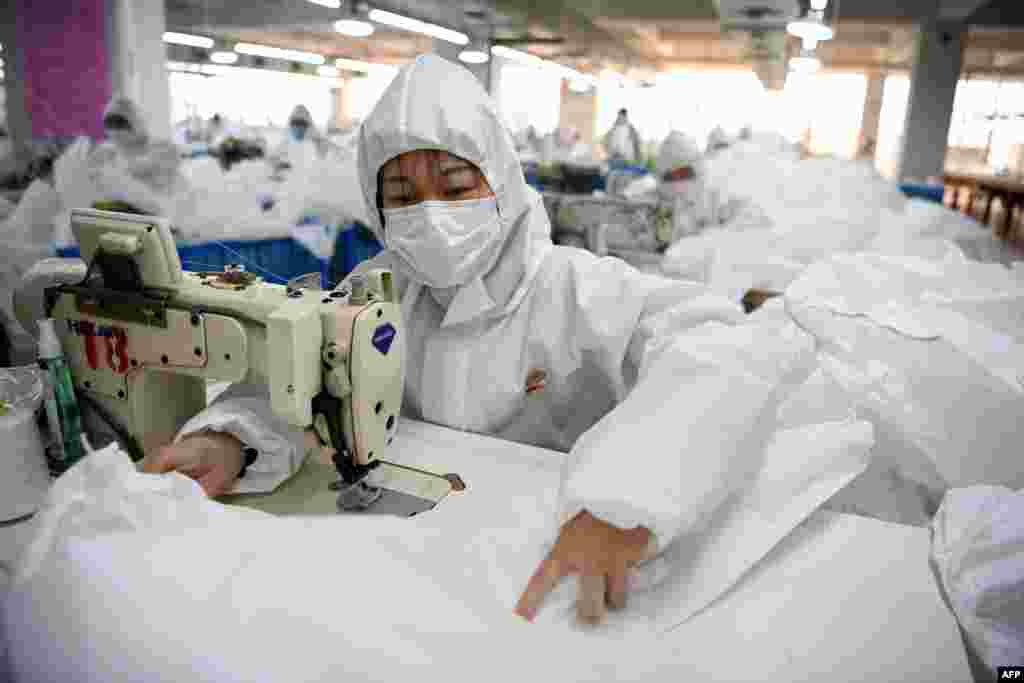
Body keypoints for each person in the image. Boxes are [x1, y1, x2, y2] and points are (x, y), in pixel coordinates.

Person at [141, 55, 755, 625]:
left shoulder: (578, 291)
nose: (431, 215)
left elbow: (722, 349)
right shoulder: (380, 290)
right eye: (402, 197)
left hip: (556, 564)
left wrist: (629, 500)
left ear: (503, 184)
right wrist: (235, 439)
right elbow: (302, 374)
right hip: (422, 570)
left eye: (458, 189)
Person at [91, 96, 185, 196]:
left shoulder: (165, 148)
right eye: (110, 124)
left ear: (136, 122)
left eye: (120, 124)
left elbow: (146, 171)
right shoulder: (105, 151)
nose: (115, 131)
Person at [267, 104, 332, 171]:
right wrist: (279, 165)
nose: (298, 128)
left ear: (308, 126)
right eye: (295, 124)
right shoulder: (285, 143)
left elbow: (326, 162)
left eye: (302, 124)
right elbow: (271, 160)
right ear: (290, 125)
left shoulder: (318, 143)